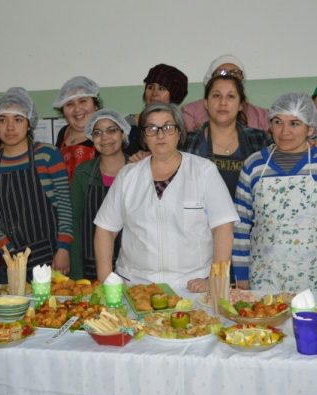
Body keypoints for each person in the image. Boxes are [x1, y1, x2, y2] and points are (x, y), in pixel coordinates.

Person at [93, 102, 238, 292]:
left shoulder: (203, 171)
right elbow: (105, 229)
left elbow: (223, 228)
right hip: (136, 287)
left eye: (168, 127)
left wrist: (215, 279)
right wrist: (107, 281)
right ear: (144, 136)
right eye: (152, 128)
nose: (160, 135)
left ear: (179, 133)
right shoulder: (128, 176)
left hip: (192, 287)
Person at [233, 93, 317, 293]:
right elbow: (240, 227)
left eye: (294, 123)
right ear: (270, 125)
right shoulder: (254, 165)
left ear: (310, 128)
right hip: (265, 282)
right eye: (278, 122)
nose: (284, 131)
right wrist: (240, 276)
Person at [0, 88, 73, 282]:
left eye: (18, 119)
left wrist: (63, 248)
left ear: (29, 124)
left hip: (52, 256)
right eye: (3, 120)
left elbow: (64, 206)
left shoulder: (48, 155)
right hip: (10, 259)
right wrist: (9, 252)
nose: (10, 127)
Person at [182, 72, 270, 198]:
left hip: (248, 217)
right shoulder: (187, 142)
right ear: (206, 103)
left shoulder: (259, 140)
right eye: (216, 95)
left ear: (240, 105)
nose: (223, 102)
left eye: (231, 96)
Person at [70, 109, 131, 279]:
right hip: (91, 265)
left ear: (123, 134)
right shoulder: (83, 173)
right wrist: (77, 273)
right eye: (97, 132)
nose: (104, 137)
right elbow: (74, 222)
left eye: (112, 130)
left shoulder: (137, 170)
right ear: (91, 138)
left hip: (131, 267)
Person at [182, 55, 269, 133]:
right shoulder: (189, 112)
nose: (223, 103)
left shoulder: (261, 115)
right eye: (222, 73)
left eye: (235, 73)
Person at [125, 63, 188, 155]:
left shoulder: (181, 127)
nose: (154, 93)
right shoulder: (127, 125)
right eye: (150, 87)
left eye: (161, 89)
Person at [53, 76, 102, 180]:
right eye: (69, 104)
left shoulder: (104, 134)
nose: (77, 109)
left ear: (95, 106)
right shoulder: (63, 133)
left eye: (83, 101)